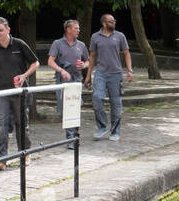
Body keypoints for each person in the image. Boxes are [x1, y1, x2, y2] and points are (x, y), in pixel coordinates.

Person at [0, 17, 39, 171]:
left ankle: (25, 152)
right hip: (1, 91)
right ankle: (1, 159)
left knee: (22, 124)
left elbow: (35, 62)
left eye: (0, 30)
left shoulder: (19, 44)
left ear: (8, 30)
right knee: (0, 125)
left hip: (19, 92)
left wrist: (24, 75)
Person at [87, 13, 134, 141]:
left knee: (116, 104)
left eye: (114, 21)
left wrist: (130, 70)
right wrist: (88, 76)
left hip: (116, 74)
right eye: (111, 21)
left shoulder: (120, 36)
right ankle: (102, 127)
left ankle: (115, 132)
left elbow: (126, 53)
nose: (114, 23)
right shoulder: (95, 37)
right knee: (97, 98)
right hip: (100, 73)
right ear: (104, 23)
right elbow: (92, 57)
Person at [47, 20, 89, 143]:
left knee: (74, 108)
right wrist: (61, 71)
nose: (79, 30)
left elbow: (88, 61)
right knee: (63, 111)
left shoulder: (81, 45)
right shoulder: (57, 43)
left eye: (78, 28)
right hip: (62, 82)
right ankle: (72, 136)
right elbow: (50, 61)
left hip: (76, 81)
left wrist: (84, 65)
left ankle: (72, 138)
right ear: (68, 29)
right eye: (76, 28)